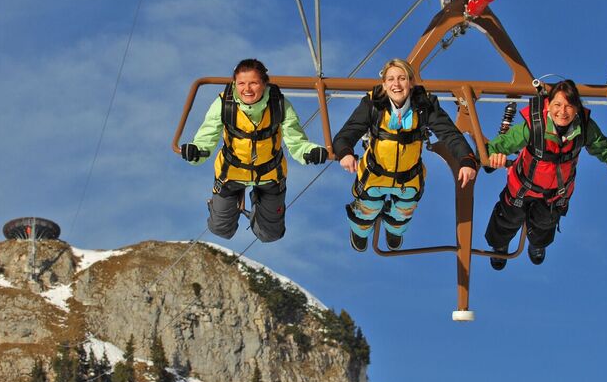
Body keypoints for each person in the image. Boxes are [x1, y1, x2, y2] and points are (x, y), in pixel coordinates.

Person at [332, 59, 478, 252]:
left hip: (408, 177)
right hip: (375, 173)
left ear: (411, 82)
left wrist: (466, 159)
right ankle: (360, 231)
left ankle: (394, 229)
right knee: (367, 209)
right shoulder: (373, 104)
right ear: (384, 84)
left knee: (403, 212)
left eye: (402, 78)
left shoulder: (424, 105)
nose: (396, 84)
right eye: (391, 79)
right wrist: (345, 152)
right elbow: (349, 131)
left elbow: (449, 133)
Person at [485, 79, 607, 270]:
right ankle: (500, 244)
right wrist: (491, 157)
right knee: (508, 217)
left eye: (569, 106)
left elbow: (604, 147)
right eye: (558, 105)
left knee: (546, 222)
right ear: (548, 104)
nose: (562, 112)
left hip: (555, 192)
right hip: (522, 186)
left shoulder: (584, 128)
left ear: (577, 108)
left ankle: (538, 244)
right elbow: (501, 144)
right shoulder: (535, 125)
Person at [180, 59, 329, 243]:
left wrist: (311, 152)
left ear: (264, 83)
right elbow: (207, 136)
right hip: (231, 174)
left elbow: (296, 140)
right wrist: (196, 151)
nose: (247, 89)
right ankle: (221, 205)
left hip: (270, 174)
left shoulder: (279, 105)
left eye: (253, 83)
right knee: (221, 229)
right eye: (241, 83)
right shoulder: (224, 103)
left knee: (270, 235)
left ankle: (259, 206)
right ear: (235, 84)